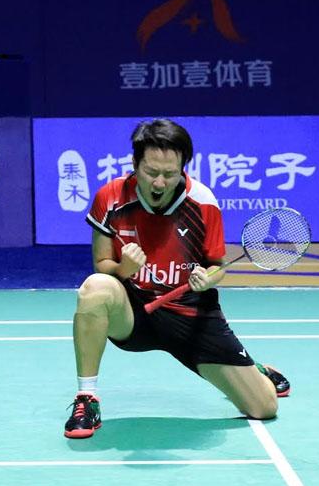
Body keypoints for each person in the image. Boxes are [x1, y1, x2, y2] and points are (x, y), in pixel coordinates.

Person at [64, 118, 290, 439]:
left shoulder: (202, 201)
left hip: (191, 317)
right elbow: (102, 264)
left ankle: (254, 369)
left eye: (170, 174)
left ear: (183, 167)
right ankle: (86, 398)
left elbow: (217, 265)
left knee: (265, 407)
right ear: (134, 164)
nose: (159, 182)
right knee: (94, 289)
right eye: (151, 172)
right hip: (136, 313)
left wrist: (207, 278)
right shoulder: (111, 197)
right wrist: (124, 269)